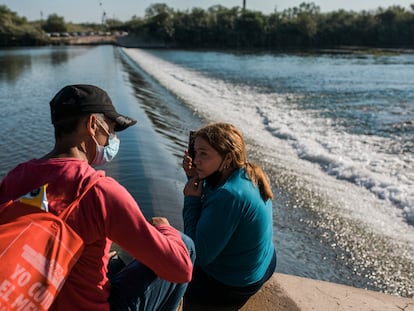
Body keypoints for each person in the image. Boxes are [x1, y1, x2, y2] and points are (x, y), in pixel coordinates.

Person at [0, 84, 195, 311]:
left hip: (28, 298)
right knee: (185, 246)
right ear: (92, 125)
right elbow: (179, 269)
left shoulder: (16, 176)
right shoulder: (97, 190)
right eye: (110, 131)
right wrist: (165, 229)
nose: (111, 140)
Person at [182, 122, 277, 309]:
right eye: (195, 152)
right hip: (263, 262)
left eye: (204, 153)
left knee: (180, 267)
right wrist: (196, 177)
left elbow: (199, 255)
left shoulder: (229, 195)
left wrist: (191, 201)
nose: (196, 159)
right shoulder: (245, 172)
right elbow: (214, 206)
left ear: (227, 158)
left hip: (234, 282)